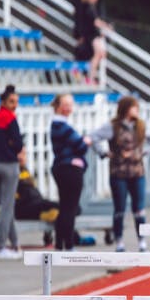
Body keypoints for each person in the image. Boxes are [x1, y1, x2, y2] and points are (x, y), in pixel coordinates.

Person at [92, 95, 147, 251]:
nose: (137, 110)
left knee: (139, 208)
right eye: (134, 107)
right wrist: (103, 152)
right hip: (118, 173)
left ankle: (142, 240)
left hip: (137, 172)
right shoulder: (113, 126)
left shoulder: (141, 126)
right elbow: (93, 137)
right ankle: (119, 241)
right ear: (126, 108)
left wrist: (144, 152)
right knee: (119, 208)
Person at [49, 93, 91, 251]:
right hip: (70, 169)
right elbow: (81, 146)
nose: (69, 108)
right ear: (58, 106)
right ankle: (69, 243)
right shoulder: (61, 126)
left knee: (65, 206)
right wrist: (85, 141)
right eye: (66, 104)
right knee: (70, 208)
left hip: (62, 167)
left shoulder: (59, 125)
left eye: (70, 104)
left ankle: (60, 243)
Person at [0, 85, 25, 259]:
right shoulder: (10, 119)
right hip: (9, 165)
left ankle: (15, 243)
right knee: (7, 207)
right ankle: (2, 246)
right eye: (12, 101)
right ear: (3, 102)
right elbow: (18, 144)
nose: (14, 105)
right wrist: (13, 145)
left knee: (5, 205)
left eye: (16, 102)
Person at [73, 0, 112, 84]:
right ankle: (90, 78)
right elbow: (95, 22)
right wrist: (106, 26)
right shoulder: (87, 7)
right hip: (91, 36)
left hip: (90, 36)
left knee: (99, 55)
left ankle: (90, 78)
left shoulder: (88, 7)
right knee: (97, 55)